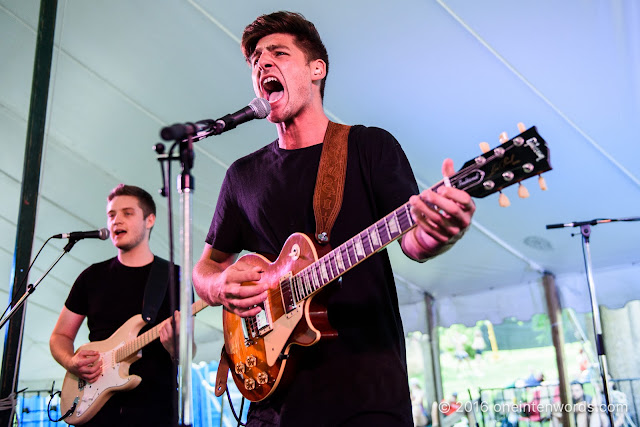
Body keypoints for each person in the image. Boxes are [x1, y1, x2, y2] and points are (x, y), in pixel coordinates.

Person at [192, 11, 475, 426]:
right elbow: (206, 267)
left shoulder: (369, 146)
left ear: (316, 69)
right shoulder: (242, 175)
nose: (262, 62)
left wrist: (439, 233)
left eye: (278, 53)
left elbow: (413, 241)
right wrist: (217, 287)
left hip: (366, 392)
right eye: (255, 59)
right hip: (273, 399)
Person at [50, 184, 182, 427]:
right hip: (96, 412)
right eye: (112, 215)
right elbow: (60, 335)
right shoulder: (91, 277)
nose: (116, 220)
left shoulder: (174, 277)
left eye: (127, 213)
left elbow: (187, 350)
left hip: (155, 411)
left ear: (149, 219)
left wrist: (176, 347)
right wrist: (71, 362)